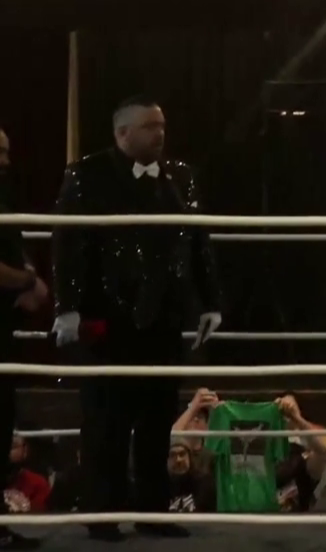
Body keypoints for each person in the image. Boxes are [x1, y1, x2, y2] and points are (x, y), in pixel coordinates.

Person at [50, 97, 224, 542]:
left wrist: (210, 302)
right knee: (105, 422)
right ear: (122, 133)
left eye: (161, 125)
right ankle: (102, 514)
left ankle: (153, 512)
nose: (159, 134)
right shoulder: (87, 174)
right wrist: (67, 306)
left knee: (157, 420)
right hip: (107, 316)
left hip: (164, 316)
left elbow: (197, 238)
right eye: (149, 126)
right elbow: (68, 242)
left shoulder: (180, 176)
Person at [0, 128, 47, 550]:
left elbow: (16, 253)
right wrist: (26, 280)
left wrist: (28, 278)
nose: (6, 161)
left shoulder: (4, 201)